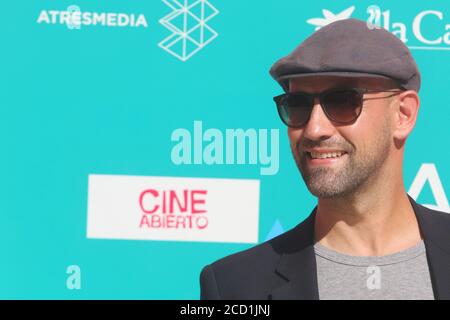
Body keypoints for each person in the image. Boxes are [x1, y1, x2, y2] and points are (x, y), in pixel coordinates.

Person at [199, 18, 450, 300]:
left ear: (403, 115)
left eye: (343, 102)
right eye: (298, 105)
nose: (314, 129)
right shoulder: (235, 286)